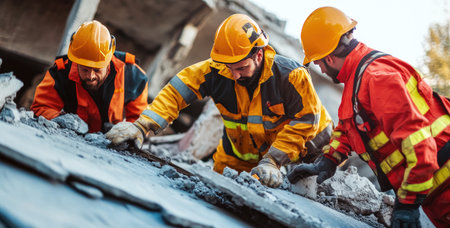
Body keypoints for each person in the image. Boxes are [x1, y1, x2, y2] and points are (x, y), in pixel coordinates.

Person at [105, 14, 333, 188]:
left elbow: (306, 122)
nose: (234, 75)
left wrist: (273, 160)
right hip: (241, 152)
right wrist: (141, 126)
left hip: (308, 151)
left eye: (241, 68)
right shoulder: (216, 71)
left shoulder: (291, 76)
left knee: (297, 196)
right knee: (215, 190)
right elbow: (175, 92)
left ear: (259, 55)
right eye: (229, 67)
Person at [287, 6, 450, 228]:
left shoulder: (377, 79)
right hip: (436, 190)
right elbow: (350, 125)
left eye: (319, 62)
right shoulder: (357, 78)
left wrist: (407, 204)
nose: (320, 69)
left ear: (330, 57)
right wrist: (328, 160)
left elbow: (420, 147)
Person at [31, 20, 148, 133]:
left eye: (97, 70)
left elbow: (140, 122)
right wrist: (60, 119)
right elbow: (41, 107)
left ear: (108, 61)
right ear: (76, 62)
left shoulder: (132, 75)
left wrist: (127, 133)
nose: (91, 76)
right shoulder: (60, 73)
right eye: (85, 69)